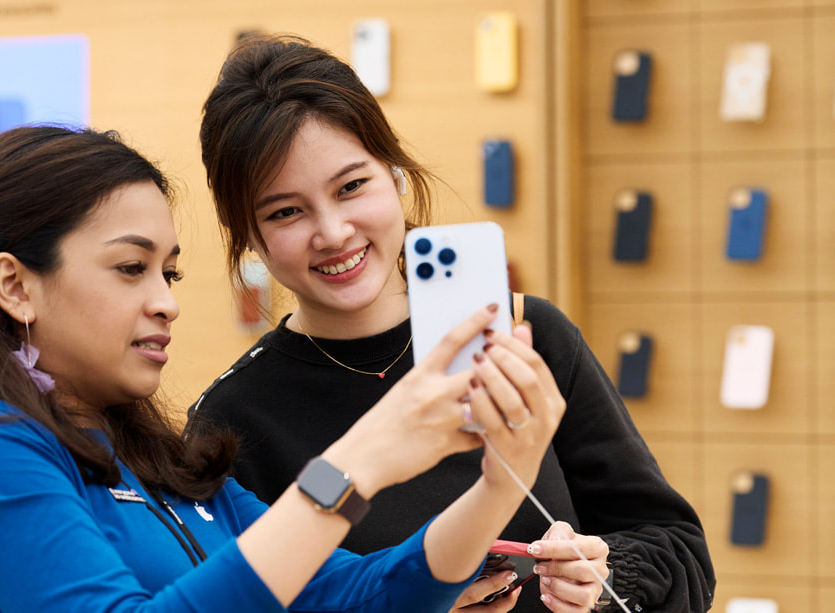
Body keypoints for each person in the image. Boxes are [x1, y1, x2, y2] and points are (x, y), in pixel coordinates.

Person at [0, 124, 568, 612]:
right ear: (16, 285)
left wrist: (496, 485)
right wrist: (362, 459)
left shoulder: (162, 460)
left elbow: (360, 593)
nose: (166, 302)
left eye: (168, 272)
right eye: (131, 268)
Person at [190, 34, 716, 612]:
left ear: (395, 175)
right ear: (251, 236)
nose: (334, 231)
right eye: (286, 211)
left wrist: (602, 578)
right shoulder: (230, 419)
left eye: (351, 186)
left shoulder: (526, 334)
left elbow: (681, 554)